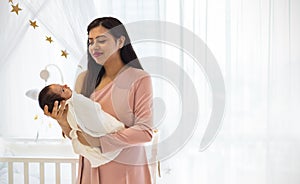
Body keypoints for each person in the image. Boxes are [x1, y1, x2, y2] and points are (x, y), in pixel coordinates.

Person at [43, 17, 153, 184]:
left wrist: (101, 142)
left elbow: (145, 132)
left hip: (126, 170)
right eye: (90, 42)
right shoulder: (84, 79)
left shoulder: (139, 79)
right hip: (91, 169)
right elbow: (76, 130)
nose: (94, 47)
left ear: (120, 41)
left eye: (101, 40)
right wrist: (62, 122)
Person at [38, 83, 125, 167]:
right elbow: (74, 134)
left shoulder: (76, 103)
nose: (65, 85)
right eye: (63, 90)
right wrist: (61, 122)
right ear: (61, 103)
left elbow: (93, 110)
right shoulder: (70, 108)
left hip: (112, 139)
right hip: (106, 147)